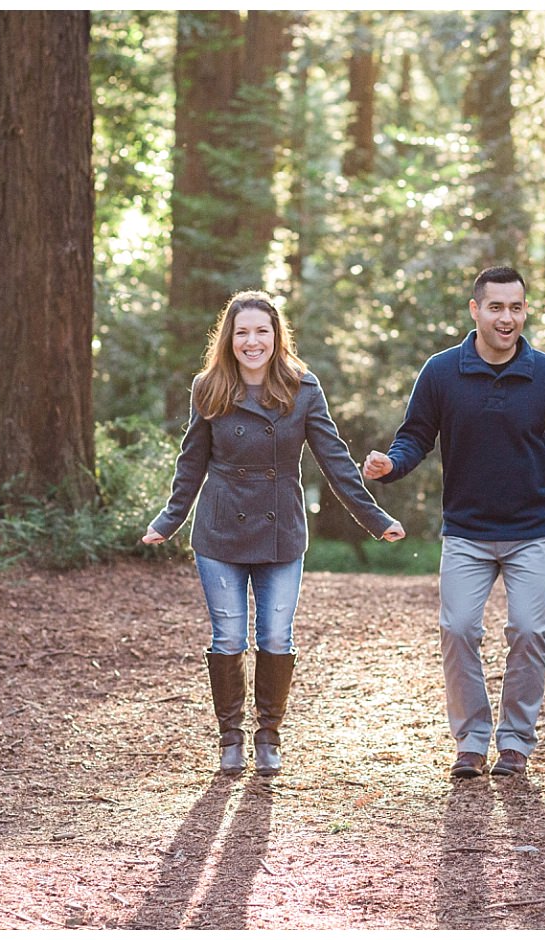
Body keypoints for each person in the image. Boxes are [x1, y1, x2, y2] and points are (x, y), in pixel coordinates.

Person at [363, 265, 545, 779]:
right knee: (458, 629)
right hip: (467, 530)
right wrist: (390, 465)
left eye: (517, 307)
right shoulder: (440, 372)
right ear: (475, 310)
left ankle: (516, 743)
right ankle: (472, 741)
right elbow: (415, 436)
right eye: (497, 307)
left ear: (526, 310)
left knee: (528, 631)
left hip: (532, 530)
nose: (508, 318)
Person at [145, 289, 405, 777]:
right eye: (242, 332)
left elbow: (335, 461)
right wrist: (169, 518)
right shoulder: (209, 387)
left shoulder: (303, 388)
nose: (252, 341)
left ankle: (268, 734)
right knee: (227, 637)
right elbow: (191, 462)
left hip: (281, 529)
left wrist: (374, 518)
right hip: (220, 529)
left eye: (261, 331)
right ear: (229, 338)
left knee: (276, 637)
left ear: (276, 335)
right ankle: (231, 737)